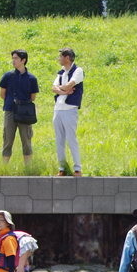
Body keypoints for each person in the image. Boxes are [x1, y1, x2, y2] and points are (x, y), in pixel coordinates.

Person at [0, 49, 39, 166]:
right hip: (10, 111)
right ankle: (4, 167)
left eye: (16, 58)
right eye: (13, 58)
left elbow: (33, 97)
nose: (13, 61)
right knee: (7, 139)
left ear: (23, 60)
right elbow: (2, 94)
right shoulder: (7, 76)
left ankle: (28, 167)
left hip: (25, 113)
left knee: (26, 140)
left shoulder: (32, 79)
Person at [51, 47, 84, 176]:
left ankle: (77, 168)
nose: (59, 59)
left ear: (67, 58)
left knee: (71, 139)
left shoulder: (78, 71)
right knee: (59, 140)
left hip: (70, 109)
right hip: (58, 109)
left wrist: (63, 89)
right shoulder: (61, 72)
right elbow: (54, 88)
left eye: (60, 56)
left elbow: (70, 85)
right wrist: (63, 90)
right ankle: (62, 168)